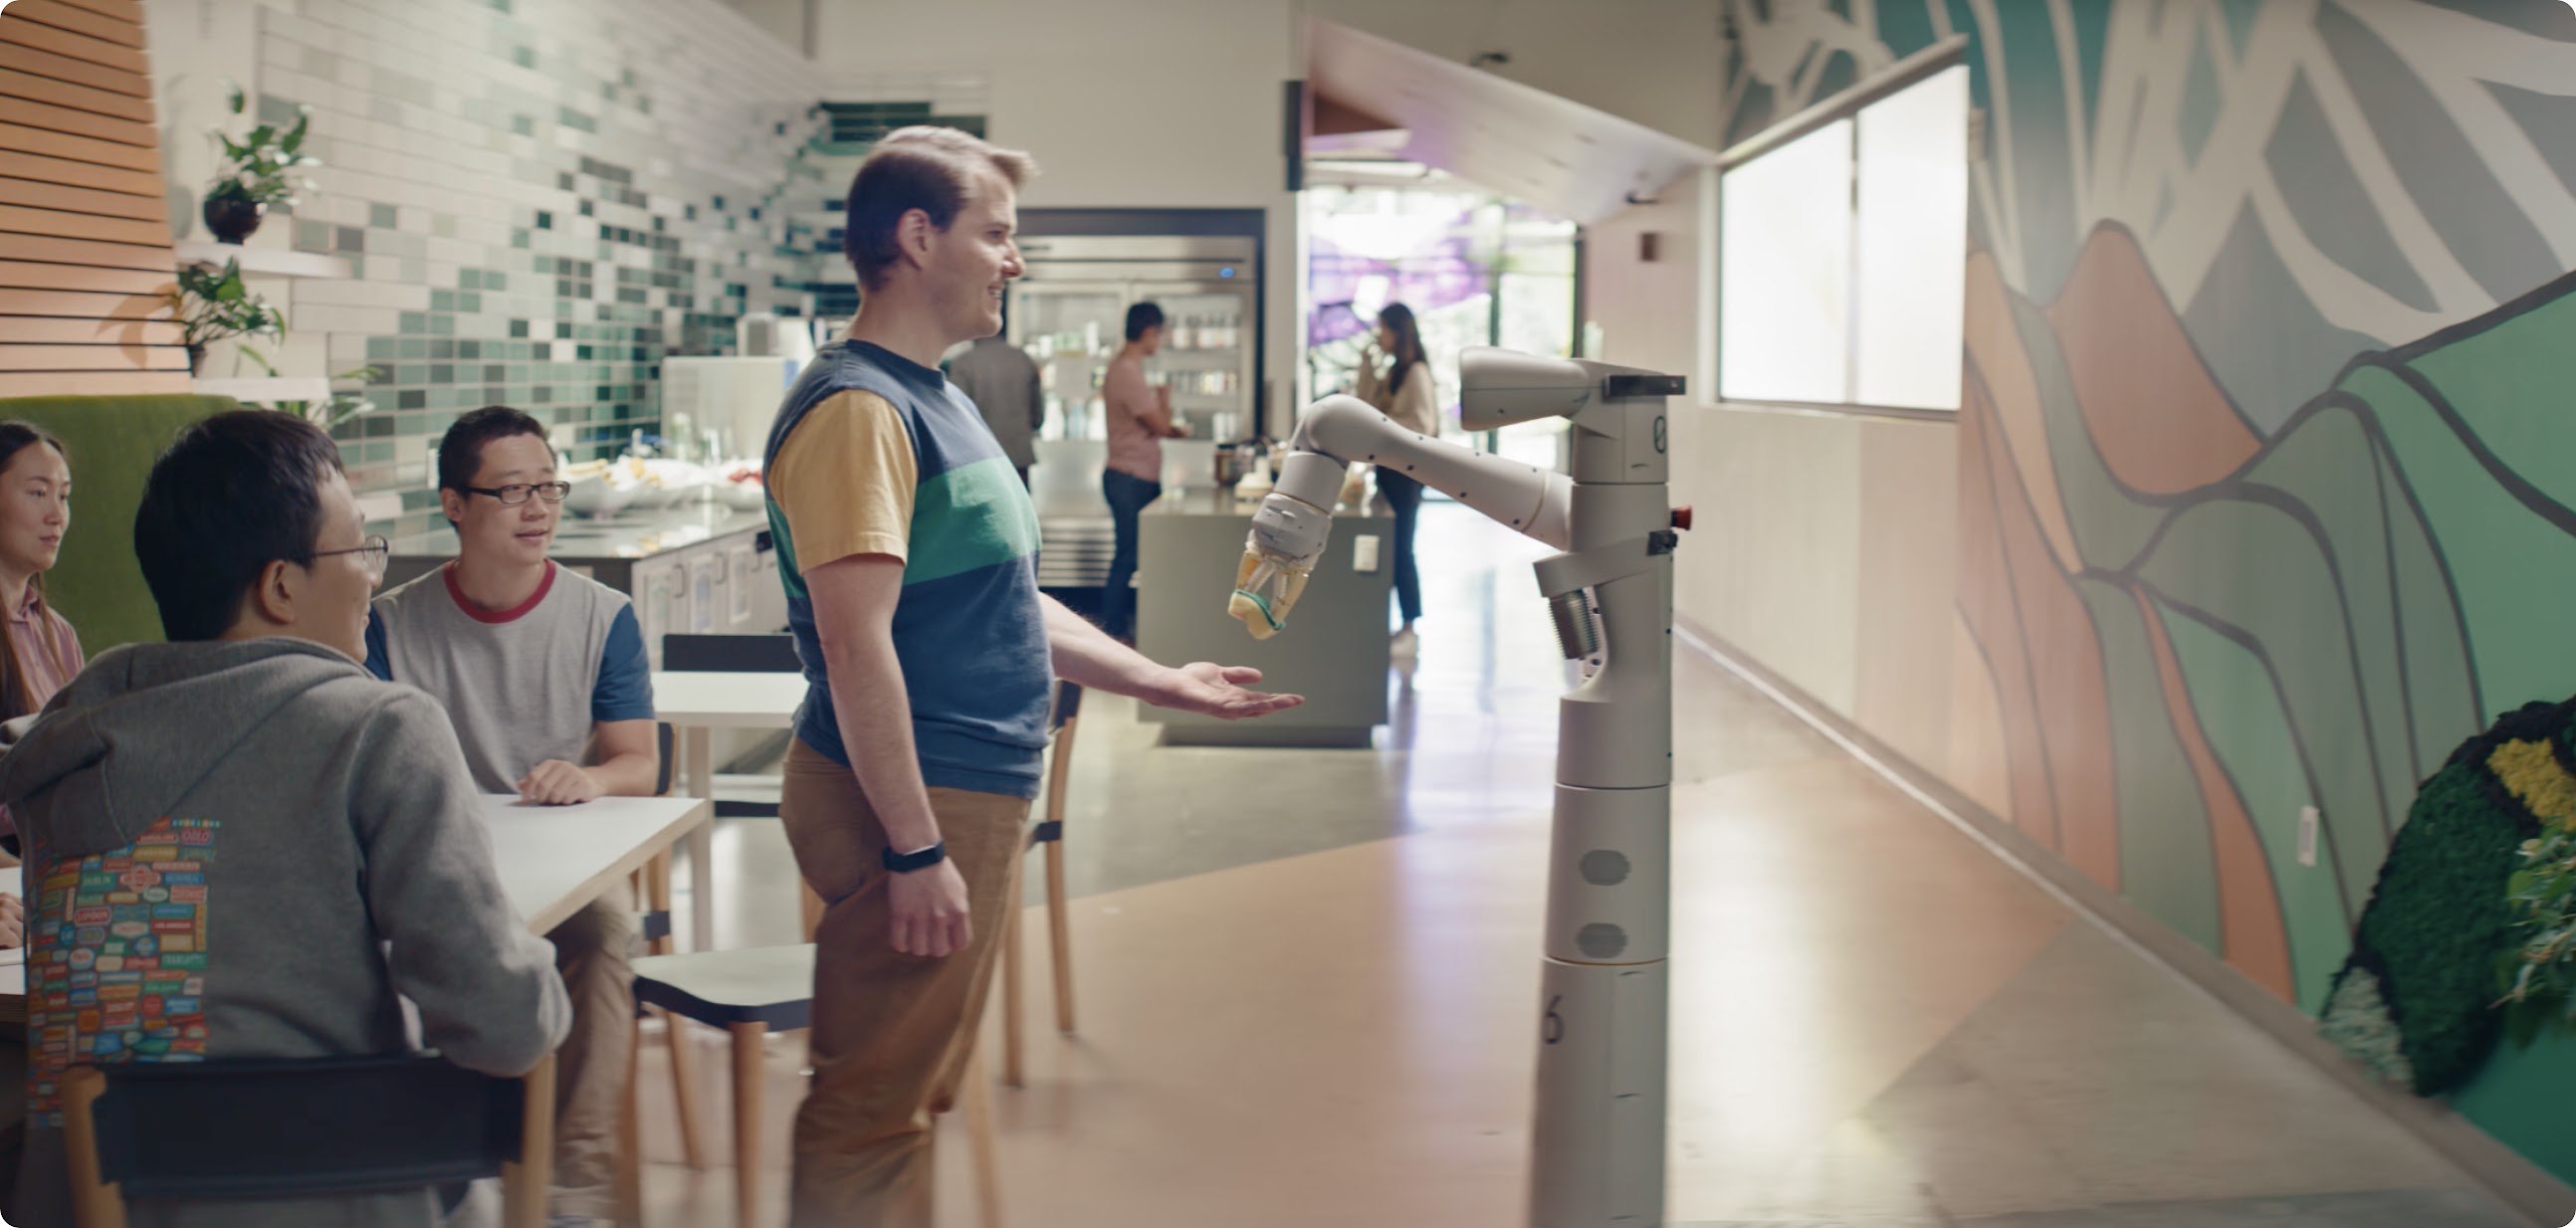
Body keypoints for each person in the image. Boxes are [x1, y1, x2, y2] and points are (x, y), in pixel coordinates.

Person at [760, 125, 1300, 1227]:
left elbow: (1000, 598)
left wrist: (1158, 680)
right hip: (919, 795)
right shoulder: (863, 410)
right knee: (871, 1104)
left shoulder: (934, 395)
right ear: (917, 237)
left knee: (913, 1087)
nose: (1014, 260)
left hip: (965, 786)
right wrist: (913, 846)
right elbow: (858, 645)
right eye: (997, 234)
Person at [0, 410, 568, 1228]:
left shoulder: (62, 753)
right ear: (280, 586)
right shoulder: (379, 726)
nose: (373, 577)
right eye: (359, 549)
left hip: (100, 1207)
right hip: (336, 1197)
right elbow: (504, 1027)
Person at [363, 404, 655, 1228]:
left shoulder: (603, 615)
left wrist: (591, 780)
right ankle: (446, 1172)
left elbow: (638, 761)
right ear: (454, 505)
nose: (539, 509)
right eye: (512, 491)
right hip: (432, 856)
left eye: (549, 488)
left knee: (601, 936)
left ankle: (573, 1193)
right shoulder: (390, 621)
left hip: (562, 857)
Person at [0, 422, 77, 1214]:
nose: (57, 513)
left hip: (47, 889)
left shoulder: (58, 634)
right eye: (35, 492)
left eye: (64, 496)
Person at [1100, 301, 1187, 642]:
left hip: (1135, 476)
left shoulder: (1127, 369)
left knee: (1134, 553)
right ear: (1150, 332)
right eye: (1161, 335)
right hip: (1129, 477)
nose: (1160, 342)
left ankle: (1121, 628)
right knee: (1128, 555)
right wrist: (1165, 398)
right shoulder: (1127, 372)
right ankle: (1115, 632)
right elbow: (1162, 426)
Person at [1355, 303, 1436, 657]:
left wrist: (1385, 430)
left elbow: (1423, 426)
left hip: (1406, 474)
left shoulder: (1416, 372)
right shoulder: (1395, 372)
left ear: (1397, 330)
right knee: (1394, 546)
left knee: (1403, 548)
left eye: (1383, 329)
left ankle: (1409, 626)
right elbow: (1367, 408)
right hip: (1390, 470)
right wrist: (1365, 367)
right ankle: (1396, 623)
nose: (1379, 335)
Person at [947, 322, 1043, 490]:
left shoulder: (963, 363)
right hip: (1019, 453)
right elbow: (1038, 413)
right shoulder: (1023, 359)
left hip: (979, 456)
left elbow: (956, 415)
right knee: (1020, 507)